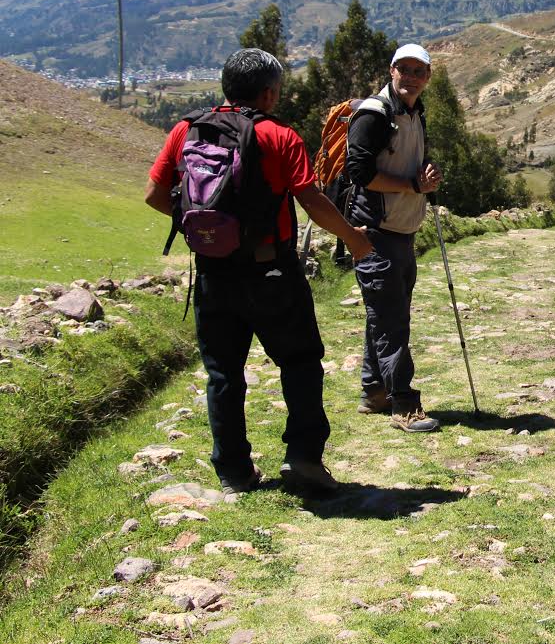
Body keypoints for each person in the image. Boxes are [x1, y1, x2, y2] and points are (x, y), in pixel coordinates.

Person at [144, 48, 374, 495]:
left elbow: (155, 194)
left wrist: (209, 230)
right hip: (272, 272)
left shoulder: (185, 131)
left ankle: (233, 472)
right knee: (301, 363)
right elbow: (311, 200)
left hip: (212, 272)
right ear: (269, 92)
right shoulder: (279, 135)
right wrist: (353, 238)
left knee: (224, 374)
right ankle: (304, 458)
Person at [344, 43, 443, 433]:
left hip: (403, 229)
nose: (413, 77)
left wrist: (425, 179)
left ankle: (374, 391)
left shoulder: (415, 112)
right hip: (374, 231)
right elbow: (360, 173)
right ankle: (404, 403)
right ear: (392, 70)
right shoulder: (374, 114)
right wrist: (413, 185)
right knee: (392, 320)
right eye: (406, 69)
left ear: (428, 77)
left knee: (384, 314)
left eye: (420, 71)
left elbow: (413, 164)